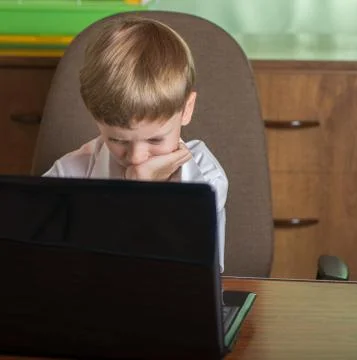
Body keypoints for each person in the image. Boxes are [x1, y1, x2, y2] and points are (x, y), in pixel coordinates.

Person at [44, 17, 228, 272]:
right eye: (118, 140)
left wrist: (141, 192)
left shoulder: (205, 179)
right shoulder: (69, 172)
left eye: (155, 139)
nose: (137, 157)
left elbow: (176, 269)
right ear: (96, 120)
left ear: (187, 109)